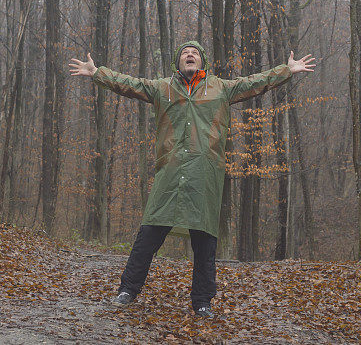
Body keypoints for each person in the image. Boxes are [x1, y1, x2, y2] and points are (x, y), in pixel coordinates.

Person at [69, 41, 315, 317]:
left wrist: (287, 70)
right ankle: (128, 289)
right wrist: (97, 72)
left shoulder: (221, 88)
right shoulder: (162, 88)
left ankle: (202, 301)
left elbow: (254, 83)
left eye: (195, 53)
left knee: (204, 240)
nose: (190, 55)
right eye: (185, 53)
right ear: (178, 62)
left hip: (204, 173)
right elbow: (129, 84)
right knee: (149, 233)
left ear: (202, 61)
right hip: (170, 171)